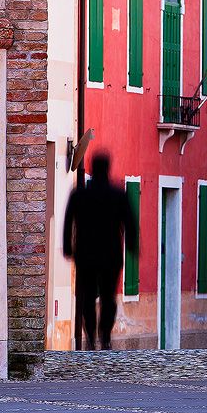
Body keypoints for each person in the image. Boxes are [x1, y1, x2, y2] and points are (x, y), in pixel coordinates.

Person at [63, 150, 137, 350]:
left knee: (86, 296)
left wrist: (68, 248)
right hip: (110, 255)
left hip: (85, 254)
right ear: (107, 168)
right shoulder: (118, 195)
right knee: (108, 297)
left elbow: (68, 222)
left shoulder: (79, 195)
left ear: (93, 168)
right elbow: (130, 224)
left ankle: (90, 336)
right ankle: (105, 336)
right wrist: (132, 248)